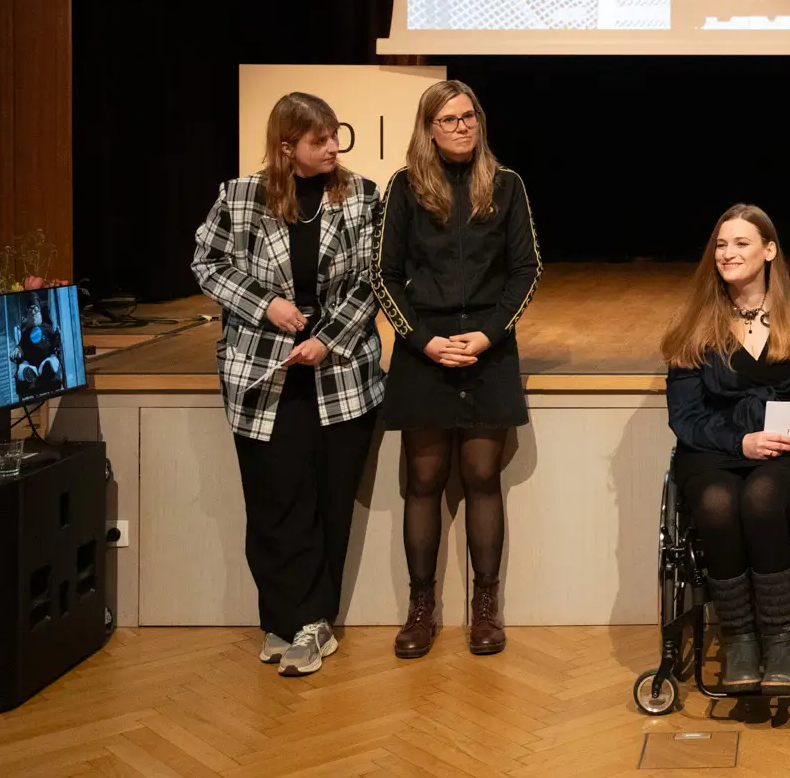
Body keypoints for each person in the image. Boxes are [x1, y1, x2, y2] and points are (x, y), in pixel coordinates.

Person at [192, 93, 385, 677]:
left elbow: (377, 276)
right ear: (286, 147)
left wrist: (327, 339)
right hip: (262, 375)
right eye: (319, 140)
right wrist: (267, 304)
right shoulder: (240, 196)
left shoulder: (361, 196)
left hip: (339, 372)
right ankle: (284, 619)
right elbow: (208, 264)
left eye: (334, 137)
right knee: (276, 501)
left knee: (328, 498)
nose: (333, 148)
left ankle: (312, 622)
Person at [374, 79, 542, 659]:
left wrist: (487, 335)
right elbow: (384, 276)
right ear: (428, 129)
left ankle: (485, 608)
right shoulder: (403, 188)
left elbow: (526, 270)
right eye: (449, 119)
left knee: (480, 476)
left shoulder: (508, 185)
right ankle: (421, 611)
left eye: (469, 115)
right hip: (425, 353)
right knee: (422, 480)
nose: (463, 126)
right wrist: (424, 341)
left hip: (487, 352)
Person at [660, 204, 790, 695]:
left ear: (769, 251)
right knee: (716, 502)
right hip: (716, 450)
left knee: (763, 497)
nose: (727, 253)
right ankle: (740, 641)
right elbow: (685, 418)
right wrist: (740, 440)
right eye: (721, 245)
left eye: (741, 243)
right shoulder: (695, 320)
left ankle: (783, 642)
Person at [10, 299, 65, 397]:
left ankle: (47, 370)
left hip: (46, 359)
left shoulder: (46, 328)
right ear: (27, 318)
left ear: (41, 316)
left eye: (36, 311)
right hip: (31, 364)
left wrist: (57, 336)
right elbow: (21, 346)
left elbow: (54, 340)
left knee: (51, 360)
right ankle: (29, 374)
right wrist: (17, 351)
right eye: (30, 312)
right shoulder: (25, 334)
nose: (33, 313)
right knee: (23, 367)